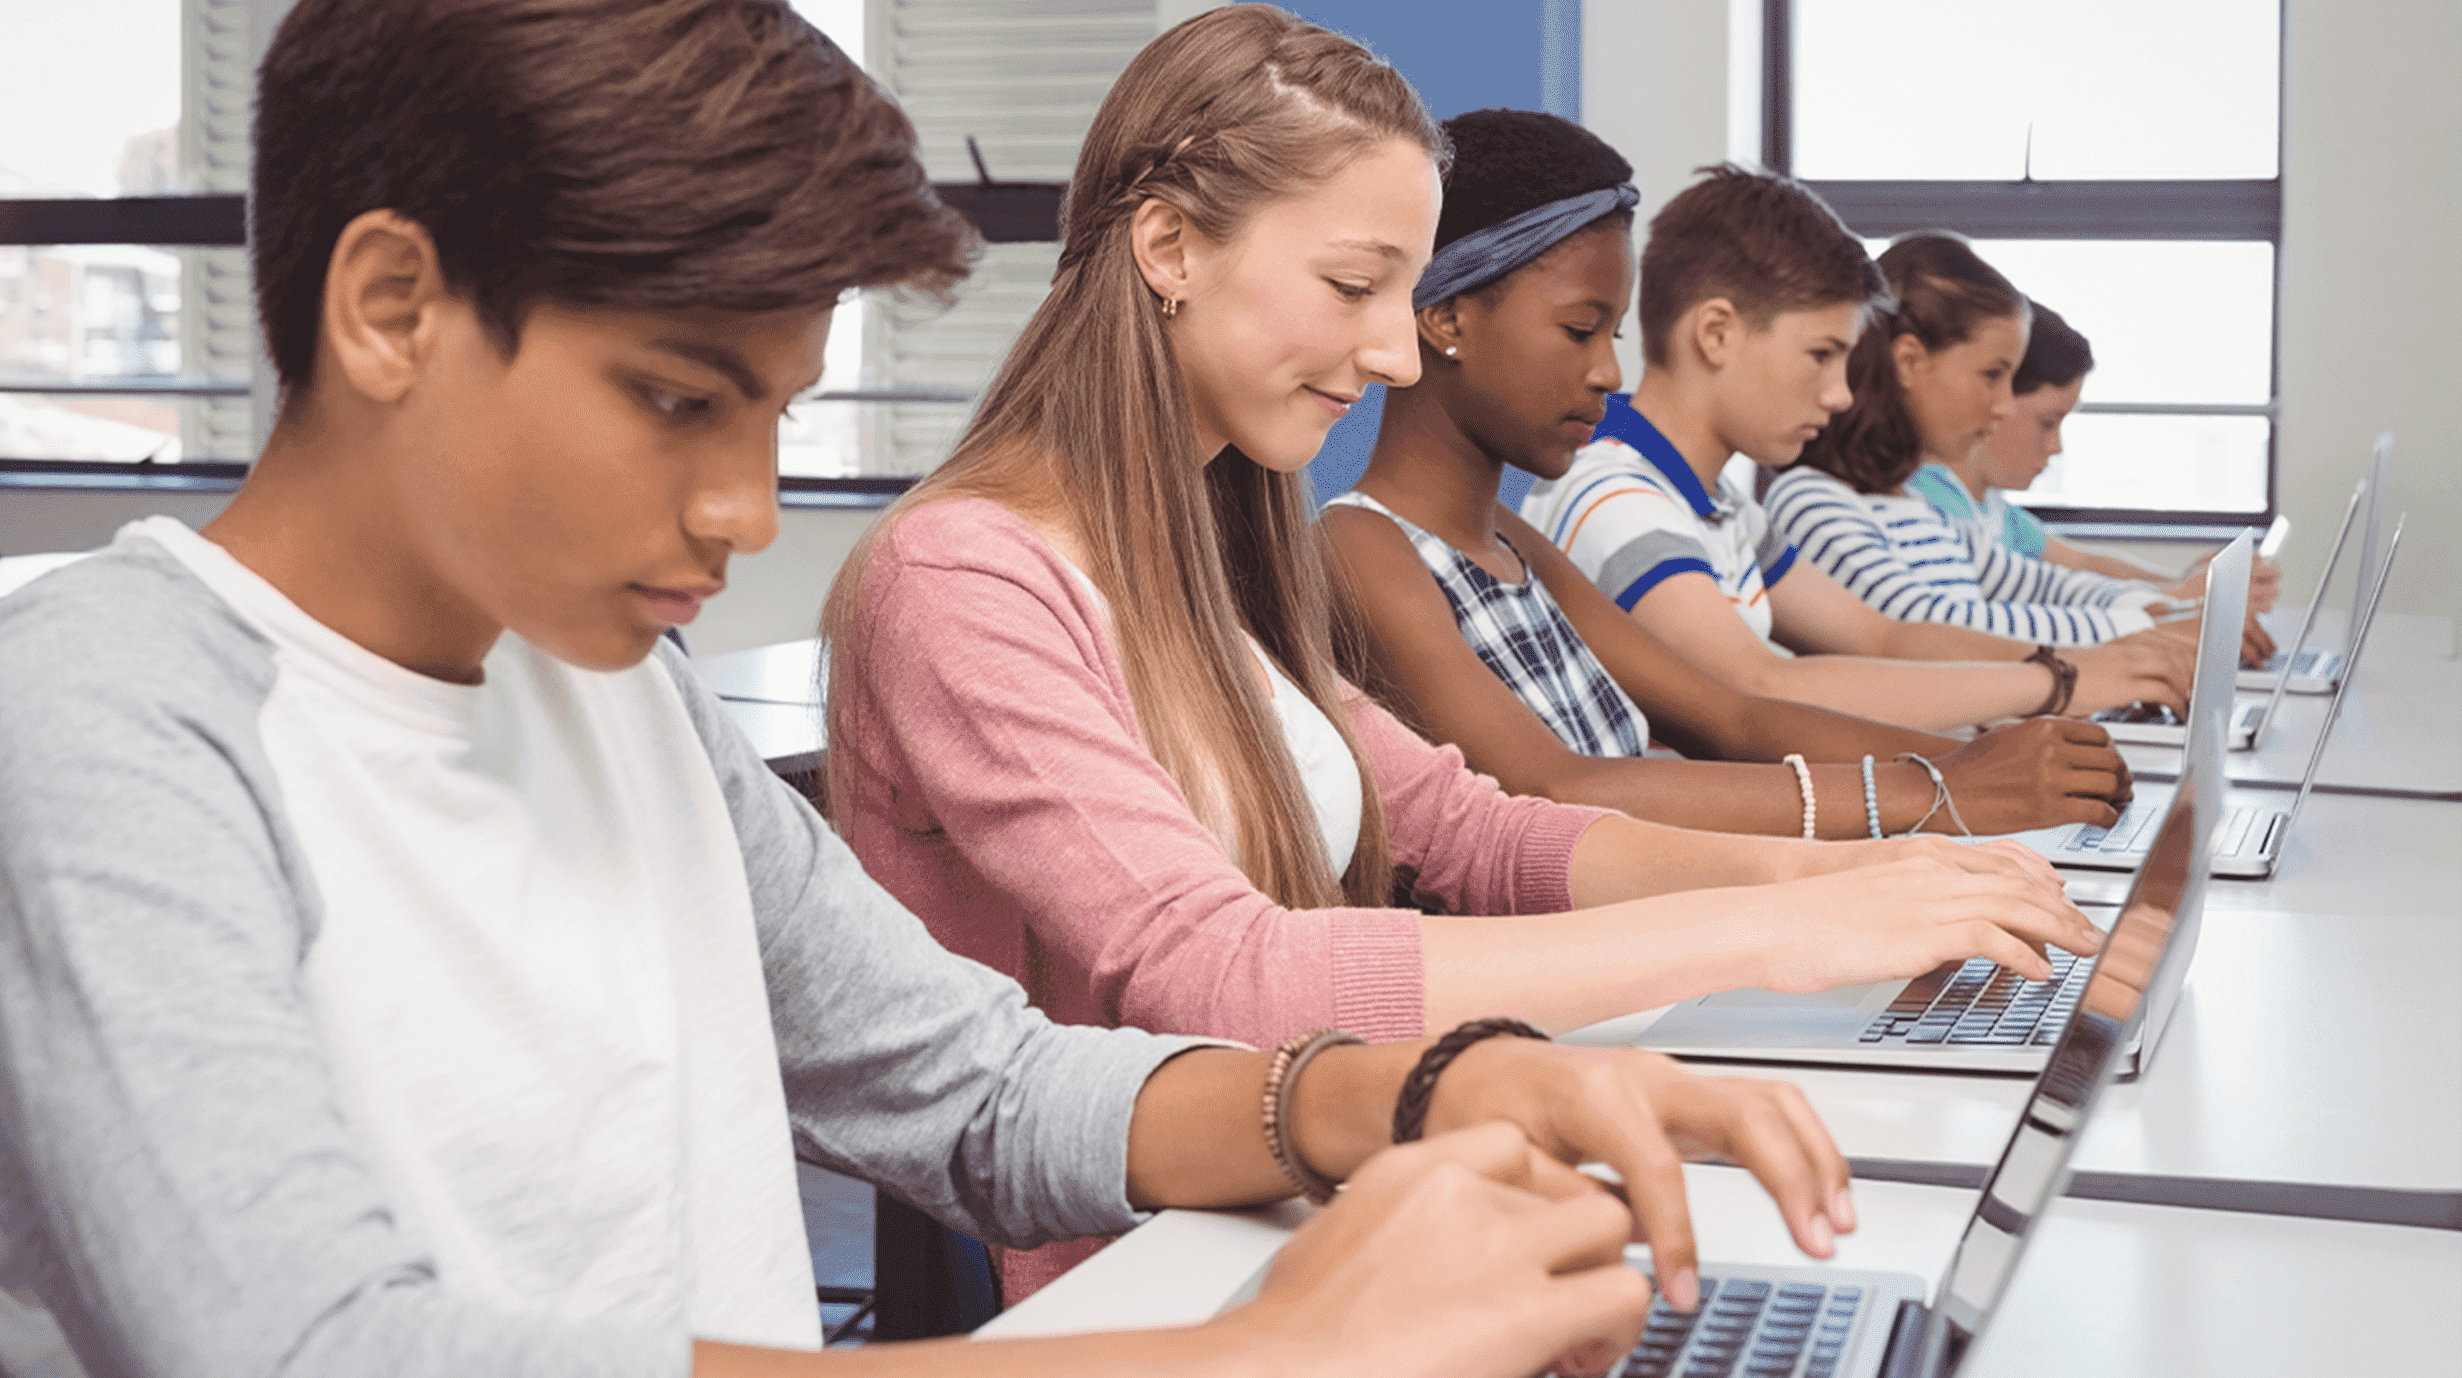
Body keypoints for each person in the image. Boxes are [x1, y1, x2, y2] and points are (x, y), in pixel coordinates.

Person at [0, 4, 1870, 1375]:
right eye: (678, 397)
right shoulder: (110, 716)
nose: (745, 508)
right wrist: (1257, 1351)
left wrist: (1412, 1092)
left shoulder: (609, 690)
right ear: (393, 307)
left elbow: (976, 1084)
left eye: (776, 413)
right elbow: (311, 1346)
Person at [824, 5, 2097, 1298]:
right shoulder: (962, 577)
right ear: (1168, 246)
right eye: (1351, 285)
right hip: (1143, 1283)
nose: (1389, 352)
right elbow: (1224, 969)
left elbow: (1478, 830)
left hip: (1310, 1210)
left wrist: (1859, 877)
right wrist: (1774, 928)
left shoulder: (1205, 554)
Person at [1326, 110, 2155, 835]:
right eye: (1581, 330)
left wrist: (1997, 764)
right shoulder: (1359, 544)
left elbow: (1733, 716)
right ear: (1444, 318)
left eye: (1612, 336)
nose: (1609, 375)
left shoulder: (1511, 540)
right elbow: (1555, 788)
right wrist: (1934, 788)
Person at [1517, 168, 2195, 730]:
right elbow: (1759, 689)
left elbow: (1883, 635)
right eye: (1821, 355)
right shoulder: (1617, 498)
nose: (1841, 394)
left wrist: (2087, 666)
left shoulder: (1716, 503)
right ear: (1717, 333)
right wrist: (2053, 682)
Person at [1762, 232, 2274, 661]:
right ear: (1909, 362)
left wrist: (2172, 614)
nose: (2004, 406)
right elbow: (1931, 625)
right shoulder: (1812, 502)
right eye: (1991, 376)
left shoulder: (1913, 507)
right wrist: (2140, 630)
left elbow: (2045, 584)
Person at [1907, 298, 2281, 623]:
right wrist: (2175, 601)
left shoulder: (1994, 510)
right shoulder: (1928, 501)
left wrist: (2179, 585)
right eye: (2047, 423)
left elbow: (2082, 565)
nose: (2056, 447)